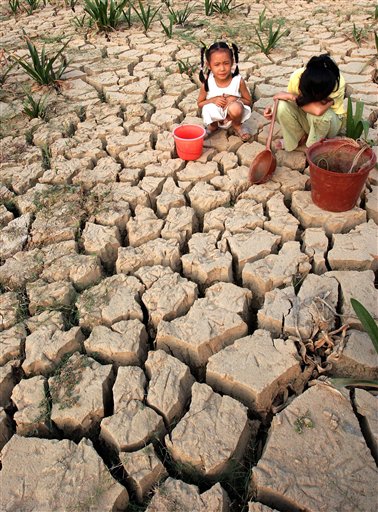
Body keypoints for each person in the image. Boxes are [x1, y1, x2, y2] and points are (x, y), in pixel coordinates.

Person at [264, 54, 346, 151]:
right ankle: (298, 138)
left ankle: (313, 145)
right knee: (280, 106)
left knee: (320, 116)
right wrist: (272, 110)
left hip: (330, 124)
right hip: (308, 117)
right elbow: (290, 105)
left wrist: (292, 97)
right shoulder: (297, 77)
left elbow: (317, 110)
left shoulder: (336, 83)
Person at [197, 42, 252, 141]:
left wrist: (235, 99)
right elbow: (200, 103)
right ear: (208, 65)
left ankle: (237, 125)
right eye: (217, 65)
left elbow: (248, 101)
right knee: (209, 108)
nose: (222, 69)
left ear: (232, 61)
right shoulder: (207, 83)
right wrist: (213, 100)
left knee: (236, 107)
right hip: (216, 116)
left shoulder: (238, 81)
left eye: (226, 63)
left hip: (232, 116)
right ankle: (213, 126)